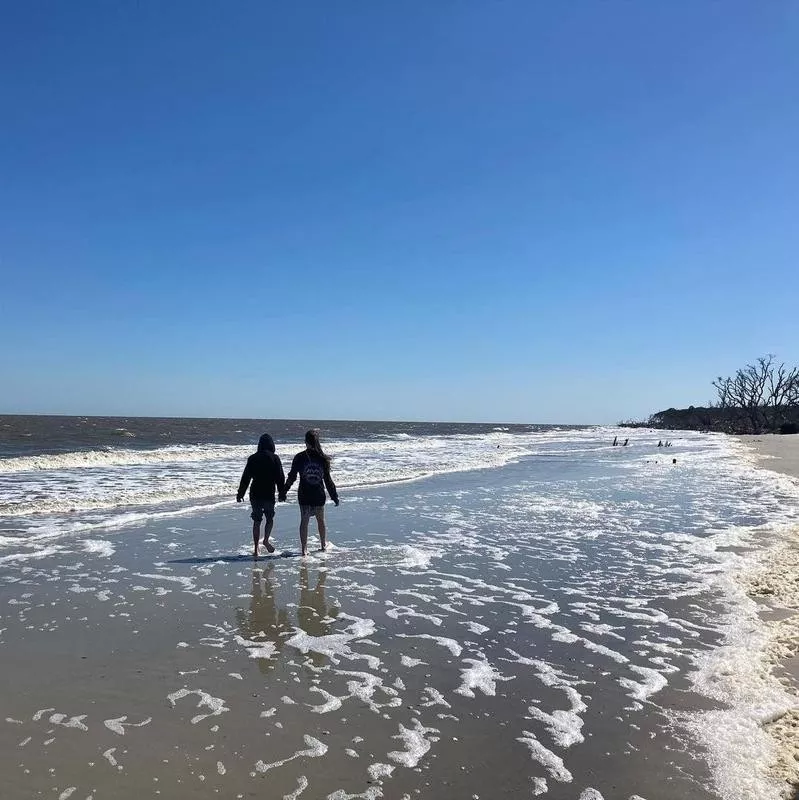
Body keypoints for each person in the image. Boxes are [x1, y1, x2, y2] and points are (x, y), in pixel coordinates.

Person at [281, 429, 339, 556]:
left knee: (304, 520)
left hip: (304, 494)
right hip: (318, 495)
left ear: (306, 442)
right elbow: (328, 480)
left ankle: (304, 549)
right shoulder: (323, 459)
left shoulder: (299, 457)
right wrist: (334, 496)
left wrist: (283, 491)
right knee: (321, 520)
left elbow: (292, 477)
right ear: (317, 442)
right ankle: (323, 544)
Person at [237, 433, 286, 560]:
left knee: (257, 521)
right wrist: (282, 493)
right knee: (269, 518)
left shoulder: (252, 458)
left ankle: (255, 549)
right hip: (269, 493)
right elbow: (280, 478)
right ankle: (266, 541)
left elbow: (245, 478)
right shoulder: (275, 458)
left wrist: (240, 493)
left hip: (255, 494)